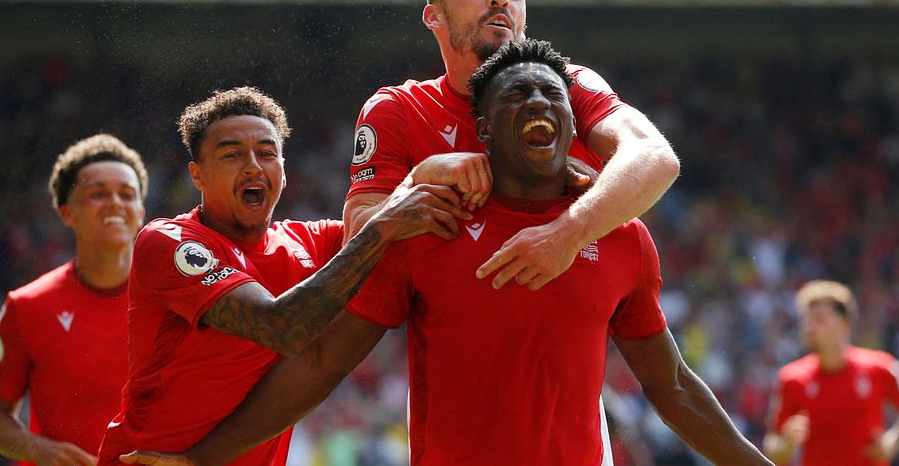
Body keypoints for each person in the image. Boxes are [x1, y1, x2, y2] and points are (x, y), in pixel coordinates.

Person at [121, 40, 772, 466]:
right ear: (484, 129)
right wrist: (200, 460)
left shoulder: (621, 237)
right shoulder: (428, 231)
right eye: (517, 94)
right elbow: (320, 363)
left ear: (575, 128)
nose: (540, 101)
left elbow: (673, 384)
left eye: (553, 96)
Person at [95, 86, 465, 466]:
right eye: (232, 154)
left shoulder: (315, 243)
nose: (254, 166)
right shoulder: (168, 242)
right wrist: (380, 229)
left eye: (267, 153)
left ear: (284, 172)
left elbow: (402, 229)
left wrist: (435, 171)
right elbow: (278, 326)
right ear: (197, 175)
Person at [344, 0, 680, 291]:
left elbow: (655, 156)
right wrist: (420, 178)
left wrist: (567, 235)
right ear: (434, 16)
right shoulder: (399, 109)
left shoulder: (565, 87)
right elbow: (354, 240)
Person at [0, 134, 149, 466]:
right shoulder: (27, 305)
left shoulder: (173, 301)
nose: (115, 202)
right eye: (97, 193)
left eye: (127, 194)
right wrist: (39, 450)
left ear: (141, 211)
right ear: (67, 212)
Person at [763, 279, 899, 466]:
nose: (809, 327)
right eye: (807, 319)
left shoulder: (880, 367)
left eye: (819, 318)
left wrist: (892, 441)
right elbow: (773, 445)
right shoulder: (791, 378)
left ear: (844, 324)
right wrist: (786, 445)